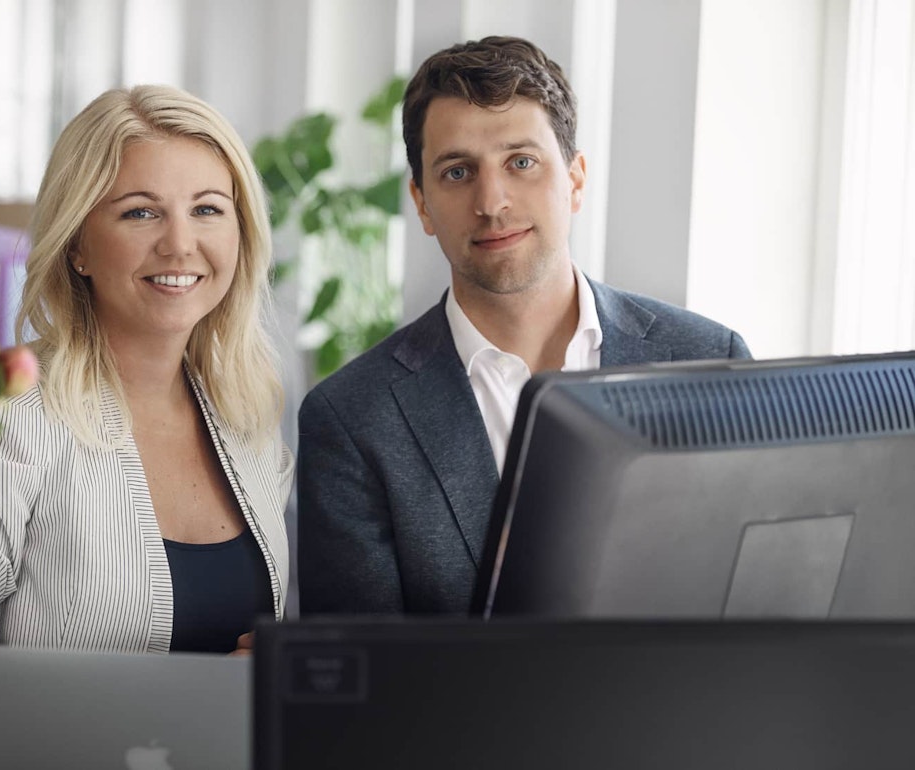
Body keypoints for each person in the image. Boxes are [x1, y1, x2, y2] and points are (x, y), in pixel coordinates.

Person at [0, 84, 292, 752]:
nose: (181, 244)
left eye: (208, 210)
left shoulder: (247, 421)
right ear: (78, 245)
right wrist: (200, 699)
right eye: (140, 213)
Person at [296, 36, 751, 616]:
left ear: (576, 179)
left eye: (521, 162)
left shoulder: (707, 360)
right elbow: (363, 675)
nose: (492, 201)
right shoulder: (354, 417)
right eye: (458, 172)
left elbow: (743, 603)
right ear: (422, 203)